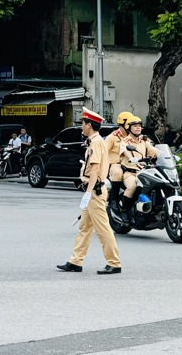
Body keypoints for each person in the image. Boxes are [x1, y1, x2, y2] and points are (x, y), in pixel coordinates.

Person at [57, 109, 122, 275]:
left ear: (89, 125)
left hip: (95, 191)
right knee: (84, 227)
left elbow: (95, 169)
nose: (81, 128)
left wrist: (89, 192)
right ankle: (75, 261)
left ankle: (114, 263)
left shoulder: (95, 143)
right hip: (94, 190)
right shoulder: (98, 141)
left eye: (83, 124)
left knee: (103, 229)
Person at [121, 115, 158, 206]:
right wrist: (132, 159)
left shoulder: (144, 140)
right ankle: (124, 210)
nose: (138, 127)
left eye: (139, 126)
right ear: (129, 128)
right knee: (132, 187)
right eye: (135, 126)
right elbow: (126, 152)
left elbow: (153, 150)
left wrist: (166, 155)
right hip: (130, 173)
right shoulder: (124, 141)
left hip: (144, 171)